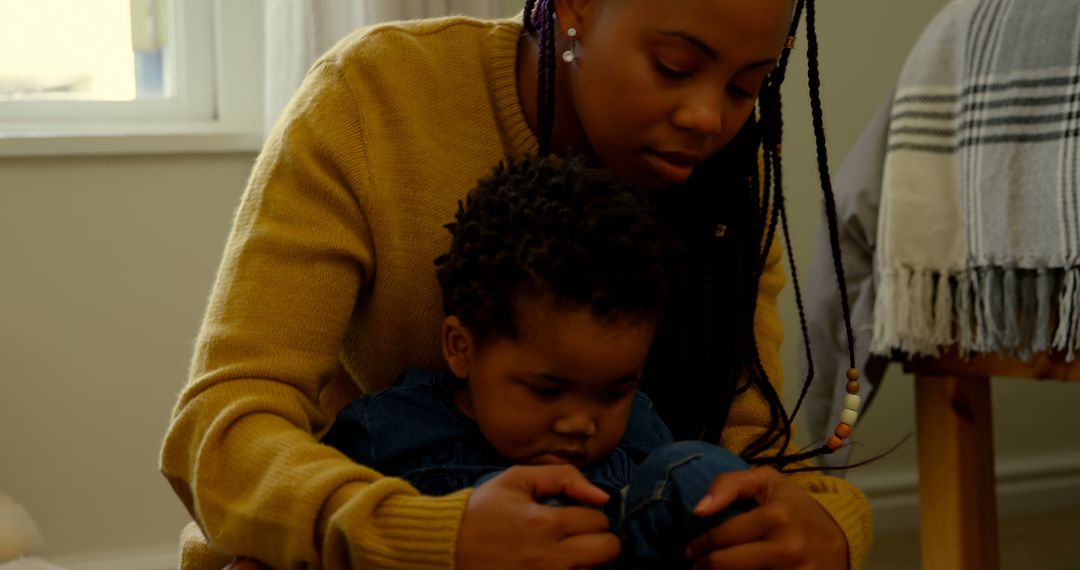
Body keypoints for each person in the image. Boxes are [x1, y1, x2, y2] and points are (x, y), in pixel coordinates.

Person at [159, 0, 873, 569]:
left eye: (748, 86)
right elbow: (220, 432)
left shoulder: (723, 183)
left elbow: (749, 449)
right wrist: (423, 535)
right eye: (673, 64)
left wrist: (831, 527)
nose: (707, 118)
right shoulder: (375, 97)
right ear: (576, 6)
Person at [322, 155, 756, 567]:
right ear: (461, 348)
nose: (581, 423)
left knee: (700, 468)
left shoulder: (640, 429)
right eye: (548, 390)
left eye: (614, 392)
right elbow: (327, 529)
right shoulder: (387, 430)